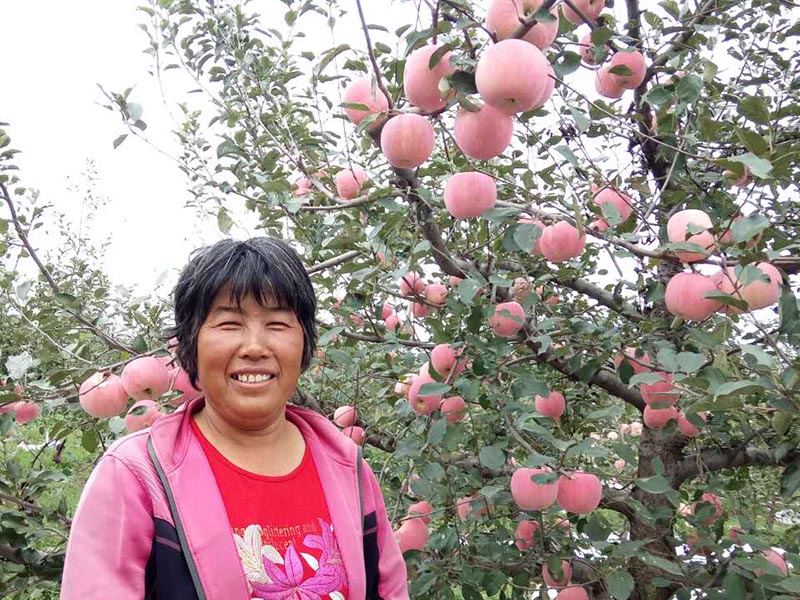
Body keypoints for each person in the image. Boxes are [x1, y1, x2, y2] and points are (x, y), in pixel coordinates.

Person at [60, 237, 409, 599]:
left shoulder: (348, 469)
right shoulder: (136, 476)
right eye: (229, 323)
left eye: (277, 324)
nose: (255, 347)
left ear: (304, 342)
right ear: (191, 342)